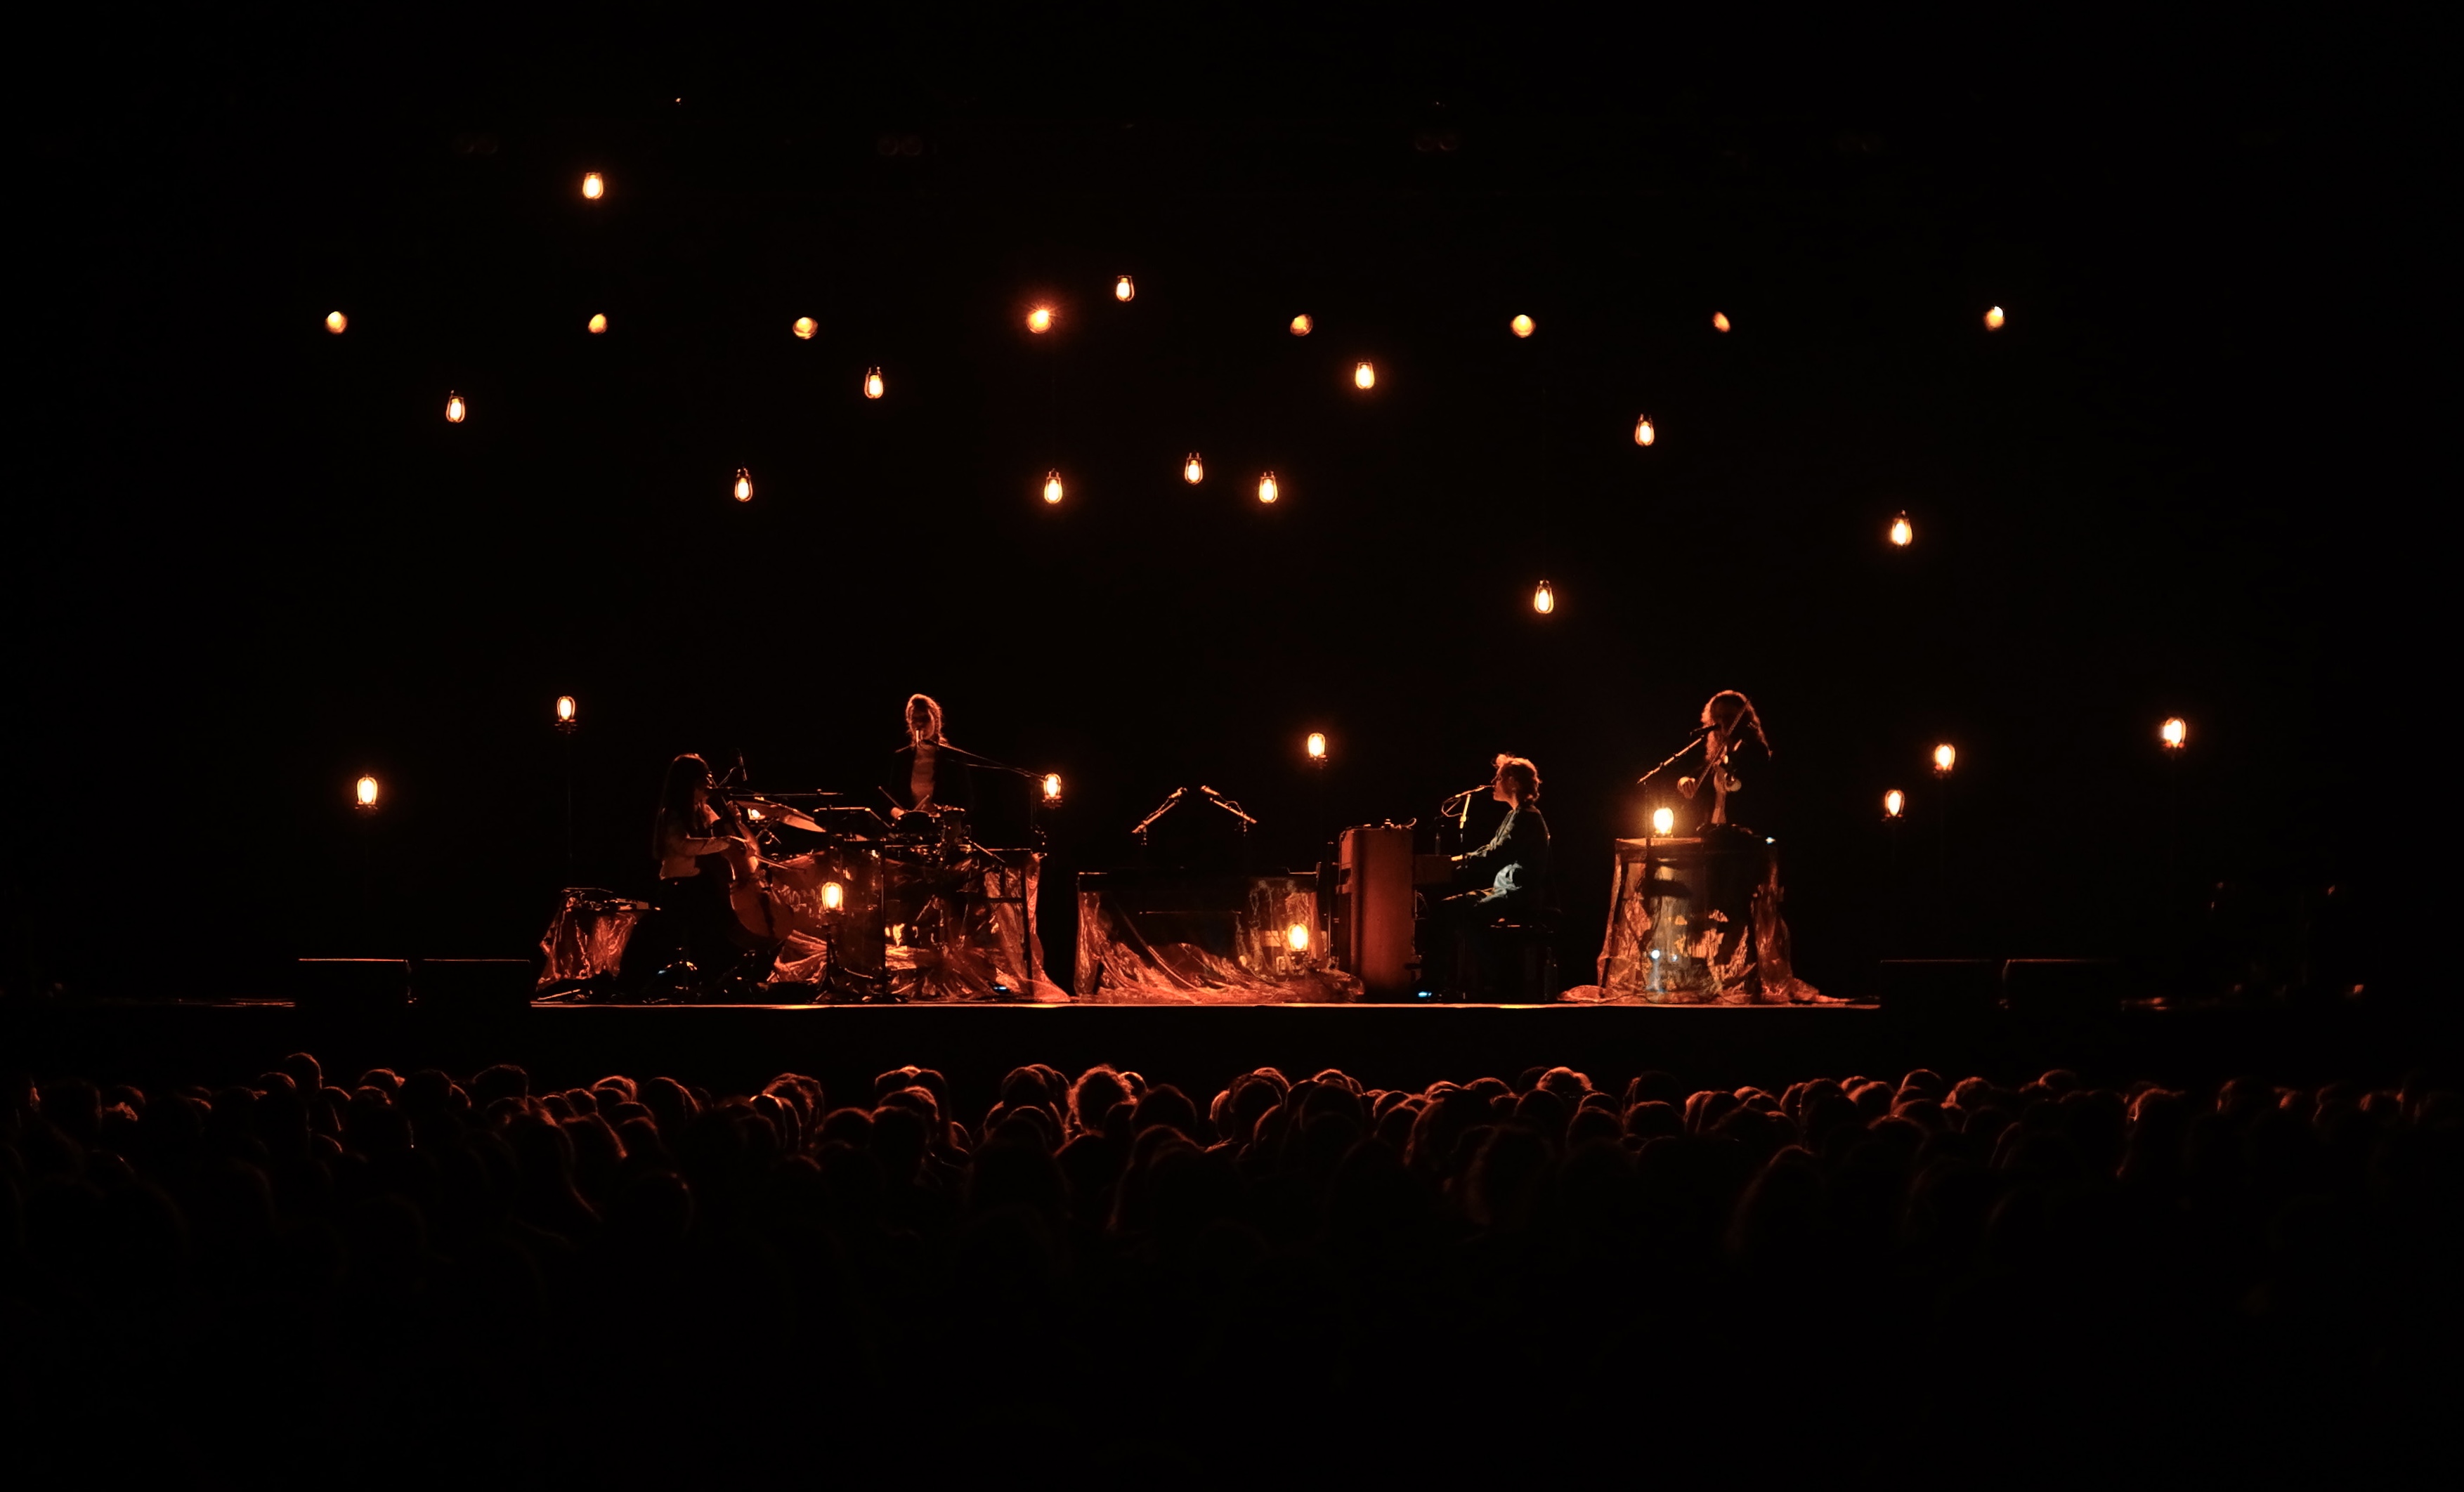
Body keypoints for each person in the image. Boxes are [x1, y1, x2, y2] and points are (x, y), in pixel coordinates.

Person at [648, 752, 760, 974]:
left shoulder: (704, 810)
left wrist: (735, 823)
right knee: (716, 918)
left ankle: (726, 971)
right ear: (690, 782)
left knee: (720, 910)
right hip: (678, 887)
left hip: (699, 885)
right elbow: (685, 846)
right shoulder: (672, 814)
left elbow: (733, 838)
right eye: (704, 778)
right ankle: (714, 972)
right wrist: (727, 840)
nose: (710, 783)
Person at [1677, 689, 1773, 833]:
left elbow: (1745, 788)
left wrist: (1731, 764)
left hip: (1741, 833)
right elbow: (1693, 776)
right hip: (1713, 831)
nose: (1723, 722)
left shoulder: (1755, 750)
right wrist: (1685, 781)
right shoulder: (1718, 753)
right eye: (1718, 717)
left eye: (1729, 717)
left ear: (1743, 717)